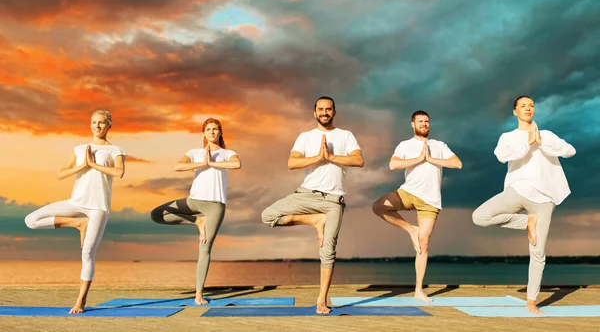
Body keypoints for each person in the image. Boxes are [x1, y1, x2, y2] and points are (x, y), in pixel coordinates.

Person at [472, 96, 575, 314]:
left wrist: (541, 142)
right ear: (515, 112)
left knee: (538, 252)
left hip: (544, 200)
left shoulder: (545, 135)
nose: (528, 108)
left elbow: (569, 150)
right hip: (517, 191)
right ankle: (528, 221)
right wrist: (528, 144)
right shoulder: (508, 136)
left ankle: (531, 301)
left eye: (531, 106)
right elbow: (501, 156)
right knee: (479, 217)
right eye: (523, 106)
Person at [261, 96, 364, 314]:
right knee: (268, 216)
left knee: (328, 251)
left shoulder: (345, 135)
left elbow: (358, 160)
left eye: (328, 109)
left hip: (333, 200)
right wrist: (318, 157)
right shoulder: (305, 137)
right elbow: (292, 163)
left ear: (334, 112)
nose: (324, 112)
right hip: (306, 195)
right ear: (314, 112)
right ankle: (315, 220)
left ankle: (321, 300)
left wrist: (331, 156)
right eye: (320, 109)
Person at [24, 110, 126, 314]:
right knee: (31, 220)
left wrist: (93, 164)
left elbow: (119, 172)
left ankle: (80, 301)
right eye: (93, 122)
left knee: (87, 253)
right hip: (76, 202)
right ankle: (78, 223)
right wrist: (82, 165)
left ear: (109, 126)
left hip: (98, 206)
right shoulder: (79, 148)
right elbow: (61, 173)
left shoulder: (115, 150)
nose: (96, 126)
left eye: (101, 123)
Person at [372, 110, 462, 302]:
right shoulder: (405, 145)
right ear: (413, 124)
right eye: (420, 121)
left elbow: (457, 164)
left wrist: (431, 159)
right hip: (409, 192)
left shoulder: (439, 145)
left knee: (424, 244)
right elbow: (393, 165)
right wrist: (419, 159)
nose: (424, 124)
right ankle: (411, 229)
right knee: (379, 206)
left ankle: (419, 290)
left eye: (427, 121)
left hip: (430, 200)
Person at [150, 118, 241, 305]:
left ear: (220, 132)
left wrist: (213, 163)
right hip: (193, 202)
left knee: (205, 249)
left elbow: (236, 164)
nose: (212, 132)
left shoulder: (227, 153)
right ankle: (197, 221)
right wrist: (202, 163)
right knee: (157, 214)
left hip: (215, 206)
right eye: (208, 129)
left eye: (215, 129)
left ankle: (198, 293)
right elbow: (178, 166)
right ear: (204, 133)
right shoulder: (194, 152)